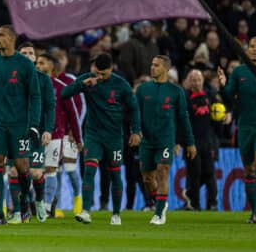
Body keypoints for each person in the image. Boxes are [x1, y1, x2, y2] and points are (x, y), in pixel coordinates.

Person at [62, 53, 141, 225]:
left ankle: (116, 214)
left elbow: (134, 108)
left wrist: (136, 131)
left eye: (103, 74)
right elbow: (64, 93)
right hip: (94, 135)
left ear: (111, 69)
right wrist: (82, 84)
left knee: (115, 174)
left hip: (114, 137)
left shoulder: (121, 85)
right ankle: (86, 211)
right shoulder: (89, 79)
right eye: (97, 72)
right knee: (89, 170)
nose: (99, 77)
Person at [218, 38, 256, 223]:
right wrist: (223, 84)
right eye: (251, 47)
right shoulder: (239, 72)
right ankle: (253, 212)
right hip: (244, 127)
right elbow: (229, 97)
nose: (254, 50)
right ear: (247, 51)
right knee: (249, 170)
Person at [0, 25, 41, 225]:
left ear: (11, 39)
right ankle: (0, 212)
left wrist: (34, 125)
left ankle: (25, 199)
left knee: (22, 167)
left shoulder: (25, 65)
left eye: (1, 35)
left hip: (20, 125)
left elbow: (35, 96)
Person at [136, 56, 196, 225]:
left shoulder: (176, 92)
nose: (152, 68)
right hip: (146, 140)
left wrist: (189, 142)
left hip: (166, 140)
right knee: (147, 178)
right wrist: (135, 131)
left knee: (162, 172)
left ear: (166, 69)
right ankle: (161, 202)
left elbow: (183, 118)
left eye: (156, 65)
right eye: (152, 64)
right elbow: (134, 114)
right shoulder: (142, 90)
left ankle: (159, 212)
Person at [8, 42, 54, 224]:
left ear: (35, 58)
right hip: (15, 131)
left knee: (35, 173)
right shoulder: (11, 77)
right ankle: (19, 212)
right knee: (13, 172)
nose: (27, 55)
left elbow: (50, 107)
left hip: (35, 132)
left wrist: (48, 129)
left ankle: (40, 200)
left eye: (30, 53)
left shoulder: (43, 80)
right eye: (24, 53)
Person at [37, 53, 83, 221]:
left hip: (56, 135)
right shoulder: (31, 86)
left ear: (51, 66)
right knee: (34, 172)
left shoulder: (62, 86)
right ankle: (34, 204)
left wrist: (78, 138)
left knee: (52, 170)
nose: (38, 66)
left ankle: (49, 207)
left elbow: (74, 113)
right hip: (33, 135)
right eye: (37, 63)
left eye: (42, 63)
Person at [182, 69, 219, 211]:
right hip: (192, 142)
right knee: (194, 174)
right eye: (193, 80)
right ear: (188, 82)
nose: (196, 82)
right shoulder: (184, 98)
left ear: (203, 81)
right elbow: (181, 122)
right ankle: (195, 204)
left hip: (208, 141)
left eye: (198, 79)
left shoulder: (211, 96)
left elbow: (220, 113)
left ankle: (211, 203)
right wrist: (181, 142)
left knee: (209, 173)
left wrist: (225, 116)